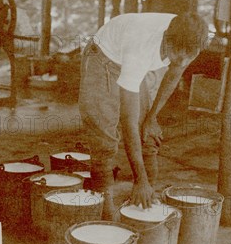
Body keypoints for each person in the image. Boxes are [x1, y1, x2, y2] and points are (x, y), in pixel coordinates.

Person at [78, 12, 208, 219]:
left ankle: (148, 196)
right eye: (178, 54)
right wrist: (139, 179)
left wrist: (152, 117)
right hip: (105, 57)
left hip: (136, 60)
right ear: (167, 40)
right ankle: (105, 204)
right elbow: (128, 120)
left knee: (147, 132)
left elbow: (174, 75)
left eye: (188, 56)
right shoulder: (140, 48)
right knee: (104, 134)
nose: (183, 61)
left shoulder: (191, 38)